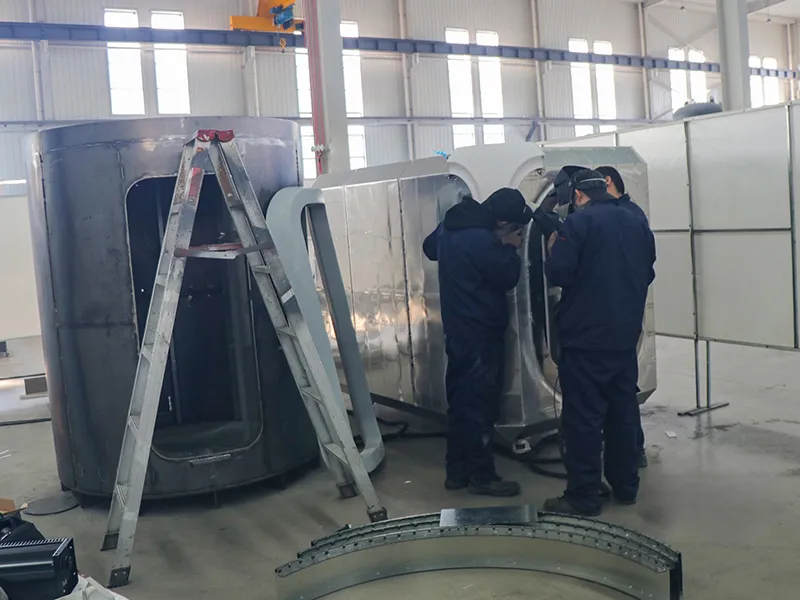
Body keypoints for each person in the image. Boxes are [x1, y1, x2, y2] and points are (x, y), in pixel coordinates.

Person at [542, 169, 656, 517]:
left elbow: (559, 273)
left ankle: (584, 496)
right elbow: (648, 270)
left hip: (586, 339)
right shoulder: (636, 220)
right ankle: (626, 486)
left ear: (578, 195)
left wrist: (552, 247)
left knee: (584, 419)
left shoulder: (577, 224)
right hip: (624, 338)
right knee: (623, 413)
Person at [423, 187, 533, 497]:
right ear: (502, 221)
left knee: (461, 401)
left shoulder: (450, 226)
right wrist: (509, 248)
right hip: (480, 333)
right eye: (514, 226)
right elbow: (508, 276)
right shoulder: (483, 241)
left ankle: (457, 471)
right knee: (480, 404)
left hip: (458, 330)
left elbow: (429, 248)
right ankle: (482, 477)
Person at [597, 165, 649, 469]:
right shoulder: (634, 214)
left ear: (607, 182)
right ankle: (630, 450)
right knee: (623, 388)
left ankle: (629, 449)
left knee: (617, 390)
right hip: (626, 318)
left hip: (610, 320)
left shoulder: (623, 215)